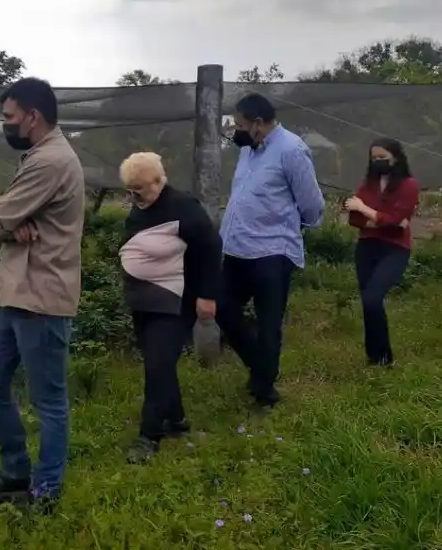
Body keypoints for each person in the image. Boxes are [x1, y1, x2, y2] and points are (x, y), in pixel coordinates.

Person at [0, 77, 84, 507]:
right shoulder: (37, 156)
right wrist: (4, 220)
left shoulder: (50, 161)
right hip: (11, 293)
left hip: (41, 297)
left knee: (48, 399)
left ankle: (46, 491)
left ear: (32, 117)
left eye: (10, 117)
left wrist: (2, 221)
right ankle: (16, 472)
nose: (6, 124)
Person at [217, 92, 324, 408]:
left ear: (258, 123)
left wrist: (289, 226)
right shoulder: (249, 150)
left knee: (268, 322)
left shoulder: (292, 150)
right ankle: (259, 365)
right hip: (237, 247)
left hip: (272, 250)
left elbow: (312, 203)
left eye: (239, 124)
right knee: (223, 308)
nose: (236, 130)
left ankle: (264, 392)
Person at [117, 152, 220, 464]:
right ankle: (176, 422)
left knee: (157, 366)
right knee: (156, 361)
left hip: (175, 300)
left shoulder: (183, 207)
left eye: (140, 190)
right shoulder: (139, 208)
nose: (135, 197)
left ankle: (149, 437)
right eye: (129, 191)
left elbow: (211, 248)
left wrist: (207, 295)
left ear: (159, 181)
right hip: (144, 300)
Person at [345, 138, 420, 366]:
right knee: (369, 303)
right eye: (374, 158)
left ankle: (385, 358)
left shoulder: (409, 185)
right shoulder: (367, 185)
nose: (378, 162)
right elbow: (354, 219)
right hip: (367, 247)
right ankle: (374, 355)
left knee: (373, 297)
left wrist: (364, 209)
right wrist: (383, 221)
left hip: (395, 249)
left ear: (395, 157)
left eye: (383, 158)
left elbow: (395, 219)